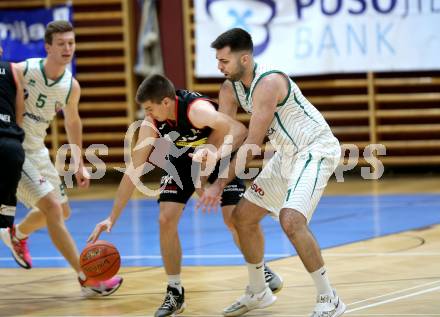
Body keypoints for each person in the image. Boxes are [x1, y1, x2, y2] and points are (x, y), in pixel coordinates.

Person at [87, 74, 283, 317]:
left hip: (217, 152)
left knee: (233, 219)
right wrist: (111, 218)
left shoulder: (197, 110)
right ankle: (174, 291)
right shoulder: (151, 124)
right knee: (165, 219)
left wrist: (213, 155)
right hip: (181, 161)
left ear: (166, 102)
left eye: (150, 108)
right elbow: (132, 173)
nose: (147, 114)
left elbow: (239, 130)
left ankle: (260, 269)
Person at [196, 28, 346, 317]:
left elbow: (252, 144)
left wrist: (218, 185)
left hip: (316, 148)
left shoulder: (269, 83)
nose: (219, 66)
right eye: (217, 60)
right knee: (243, 218)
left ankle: (330, 298)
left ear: (245, 59)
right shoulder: (229, 88)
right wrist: (209, 157)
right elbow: (228, 133)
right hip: (287, 154)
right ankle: (259, 292)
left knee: (291, 220)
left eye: (224, 61)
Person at [0, 21, 123, 297]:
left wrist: (79, 163)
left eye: (71, 43)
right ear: (47, 47)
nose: (68, 48)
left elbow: (73, 122)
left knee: (63, 212)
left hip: (39, 150)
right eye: (61, 44)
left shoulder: (71, 86)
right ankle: (87, 278)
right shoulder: (23, 70)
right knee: (54, 210)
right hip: (16, 149)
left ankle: (16, 235)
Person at [0, 45, 25, 231]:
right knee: (5, 214)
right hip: (11, 145)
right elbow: (20, 114)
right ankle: (8, 229)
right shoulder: (14, 70)